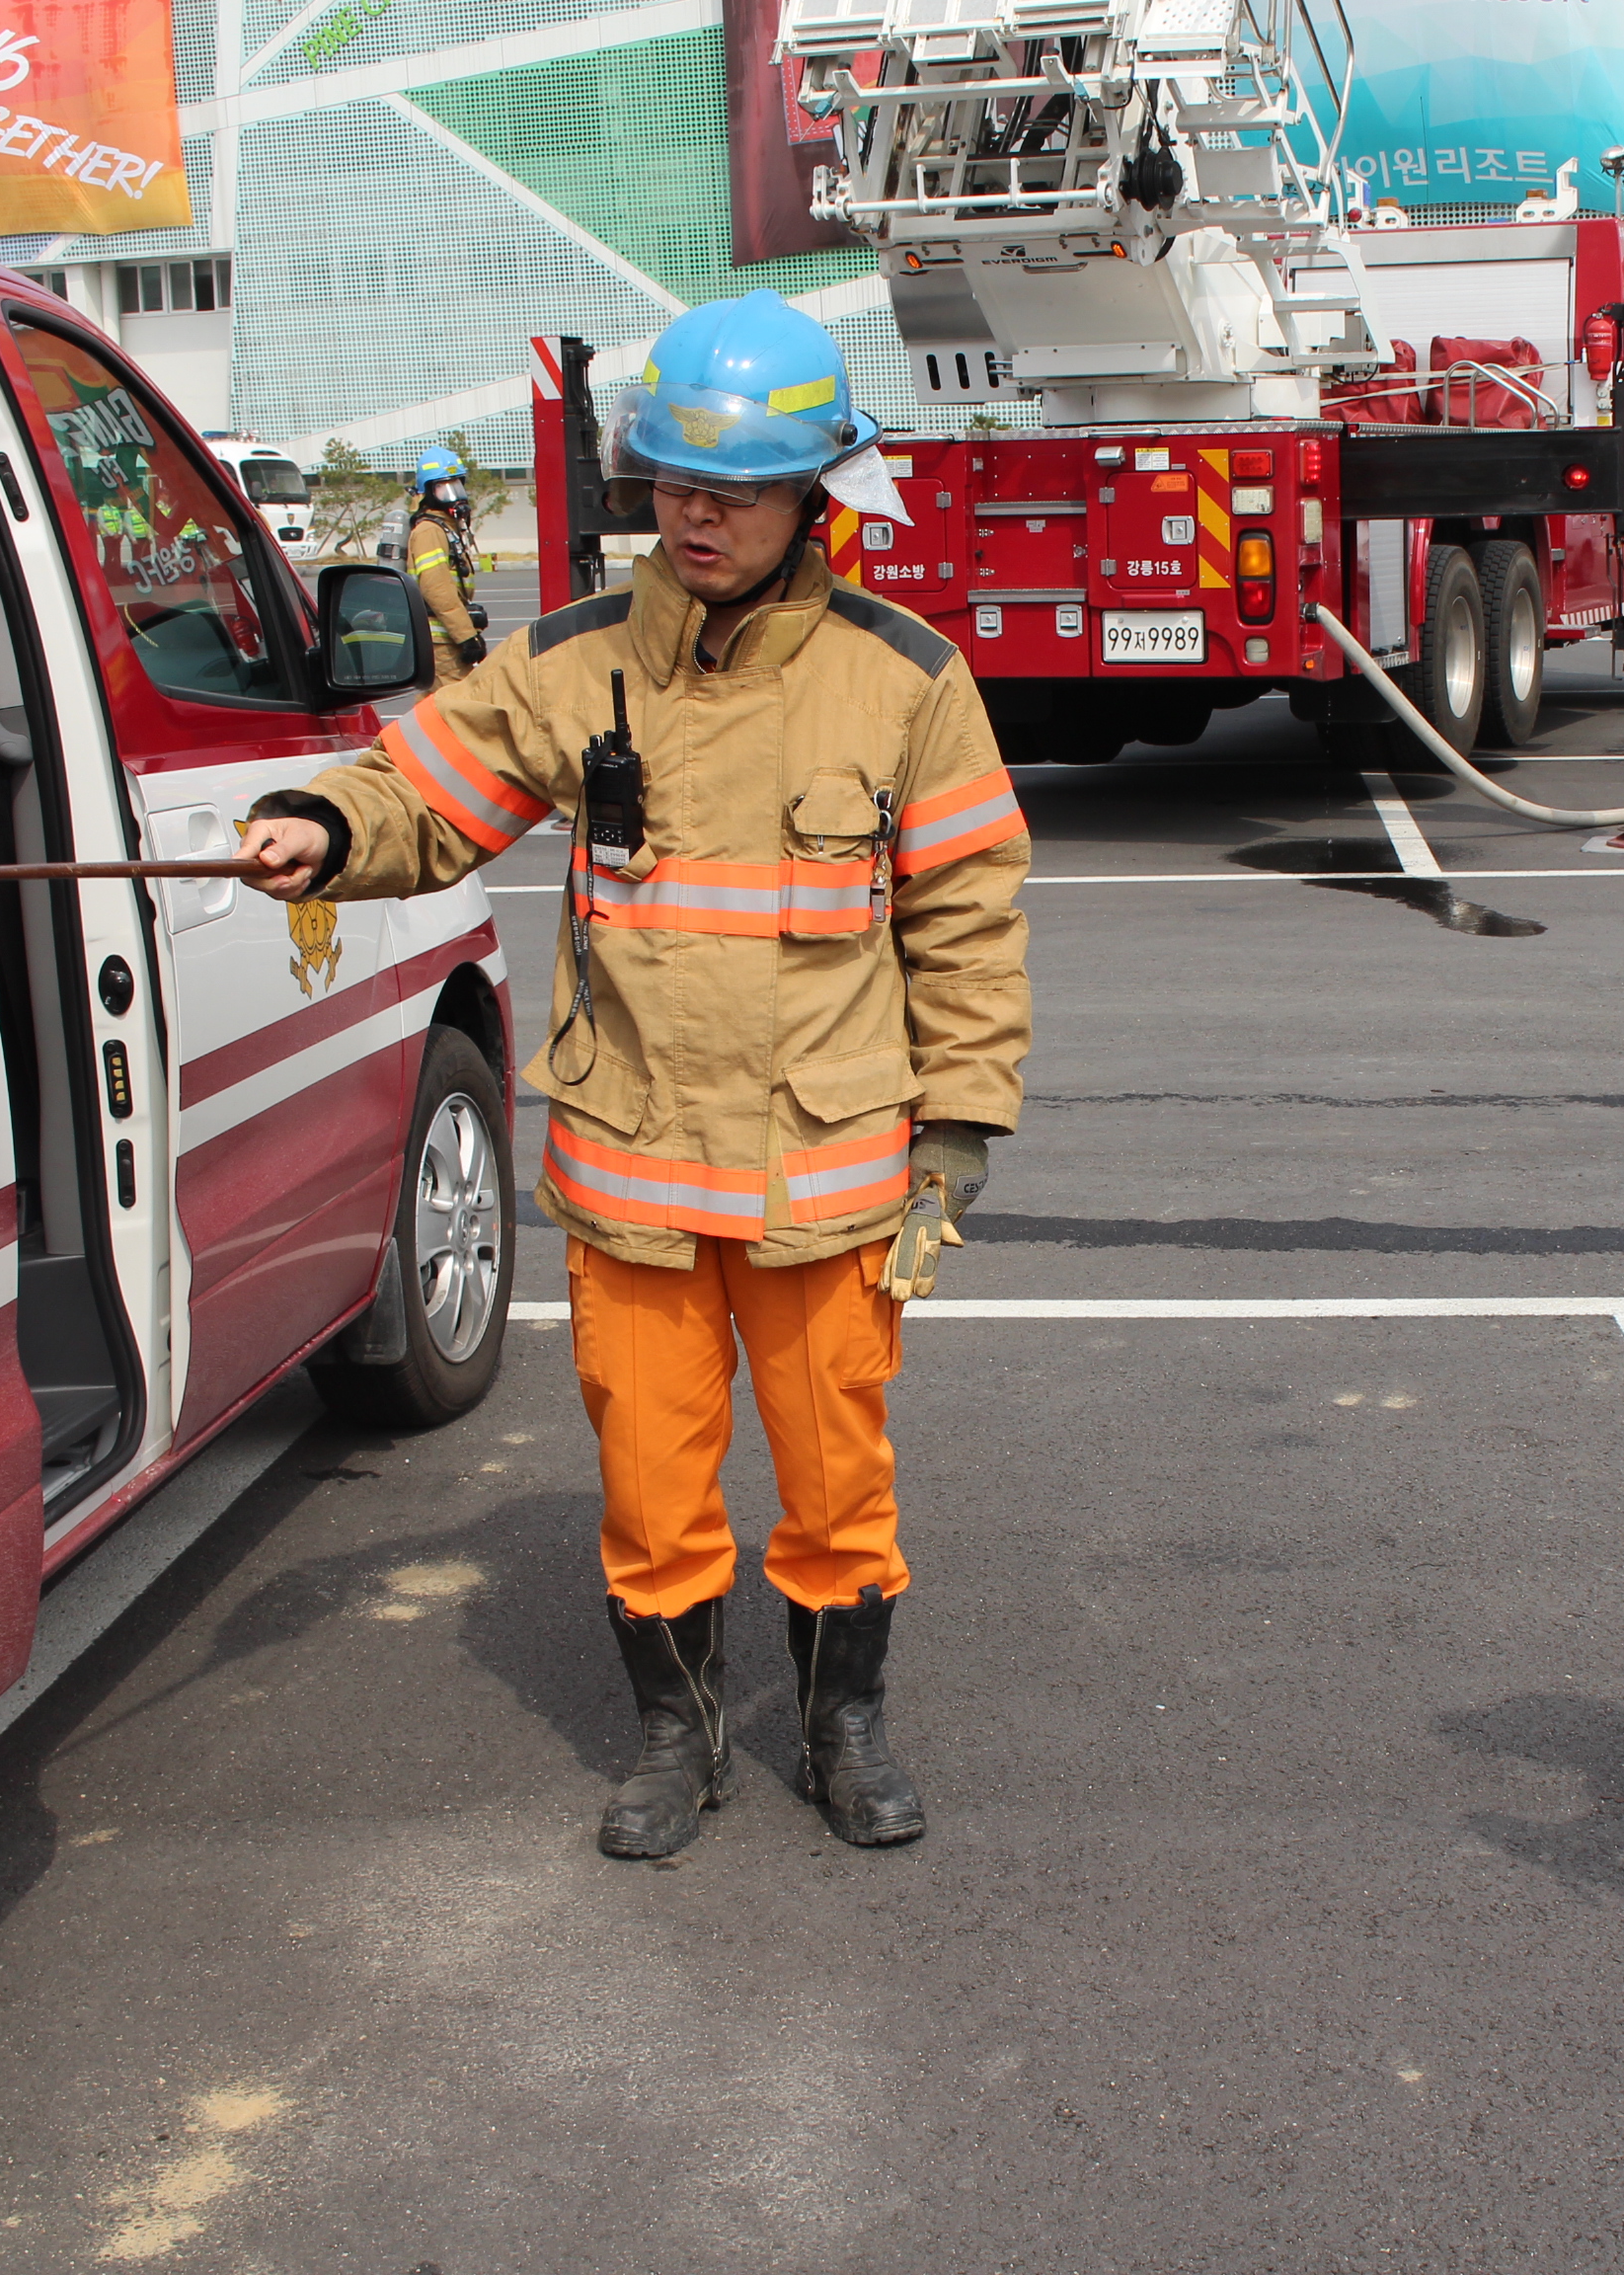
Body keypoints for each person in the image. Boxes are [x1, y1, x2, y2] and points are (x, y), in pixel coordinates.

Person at [239, 290, 1033, 1861]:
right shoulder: (571, 663)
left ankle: (842, 1726)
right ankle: (679, 1737)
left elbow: (966, 920)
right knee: (653, 1489)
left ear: (814, 494)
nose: (695, 517)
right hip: (636, 1171)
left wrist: (957, 1127)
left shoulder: (906, 679)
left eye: (734, 491)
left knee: (837, 1482)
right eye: (673, 482)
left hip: (824, 1179)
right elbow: (424, 789)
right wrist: (326, 825)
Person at [408, 446, 489, 684]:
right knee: (450, 703)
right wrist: (466, 636)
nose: (455, 495)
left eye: (457, 486)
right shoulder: (429, 531)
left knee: (436, 703)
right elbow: (437, 588)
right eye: (444, 488)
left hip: (446, 640)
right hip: (440, 644)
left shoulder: (444, 528)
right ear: (428, 493)